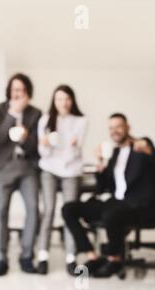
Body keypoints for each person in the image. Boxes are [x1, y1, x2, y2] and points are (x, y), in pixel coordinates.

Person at [62, 113, 155, 278]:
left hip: (140, 205)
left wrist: (149, 151)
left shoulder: (142, 147)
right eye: (111, 128)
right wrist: (100, 166)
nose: (115, 131)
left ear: (128, 127)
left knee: (111, 213)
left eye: (119, 126)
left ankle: (114, 259)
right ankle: (93, 255)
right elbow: (103, 188)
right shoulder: (113, 154)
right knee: (69, 209)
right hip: (115, 202)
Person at [0, 73, 42, 275]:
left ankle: (27, 255)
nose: (18, 93)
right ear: (9, 92)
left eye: (22, 90)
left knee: (34, 209)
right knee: (0, 211)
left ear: (28, 92)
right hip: (2, 167)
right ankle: (0, 257)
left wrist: (26, 137)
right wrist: (12, 113)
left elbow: (36, 145)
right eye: (14, 90)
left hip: (27, 166)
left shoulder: (36, 113)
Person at [36, 85, 87, 275]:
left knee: (69, 212)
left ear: (72, 100)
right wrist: (47, 144)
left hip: (71, 170)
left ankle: (71, 258)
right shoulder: (45, 120)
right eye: (59, 99)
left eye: (66, 99)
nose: (63, 103)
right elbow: (43, 153)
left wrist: (64, 148)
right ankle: (42, 256)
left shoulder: (81, 121)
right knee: (48, 210)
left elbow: (75, 152)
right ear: (54, 101)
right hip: (49, 169)